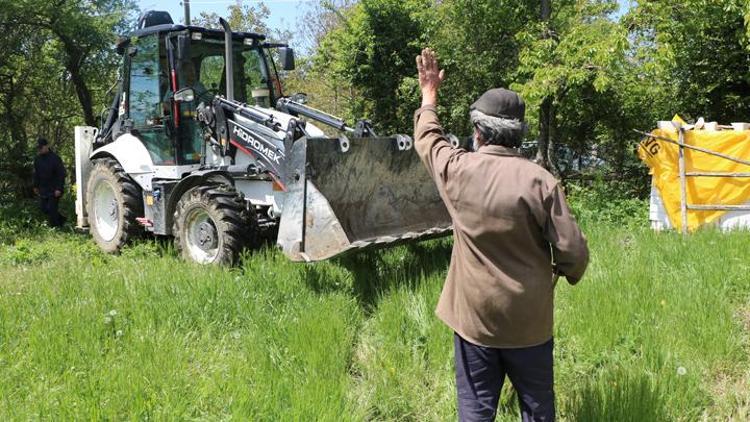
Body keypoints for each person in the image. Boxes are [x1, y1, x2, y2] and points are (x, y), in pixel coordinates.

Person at [414, 48, 589, 421]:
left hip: (475, 322)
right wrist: (565, 272)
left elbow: (428, 139)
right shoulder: (540, 181)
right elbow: (573, 250)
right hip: (529, 323)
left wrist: (429, 96)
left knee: (476, 409)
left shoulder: (458, 170)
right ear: (518, 135)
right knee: (538, 409)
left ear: (478, 132)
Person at [33, 137, 67, 227]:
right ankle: (62, 219)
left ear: (46, 146)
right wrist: (35, 186)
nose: (40, 150)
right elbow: (36, 173)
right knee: (44, 208)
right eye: (38, 148)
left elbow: (61, 174)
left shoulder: (55, 158)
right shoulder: (37, 159)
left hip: (54, 188)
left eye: (41, 147)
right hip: (43, 188)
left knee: (52, 209)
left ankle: (56, 228)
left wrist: (59, 188)